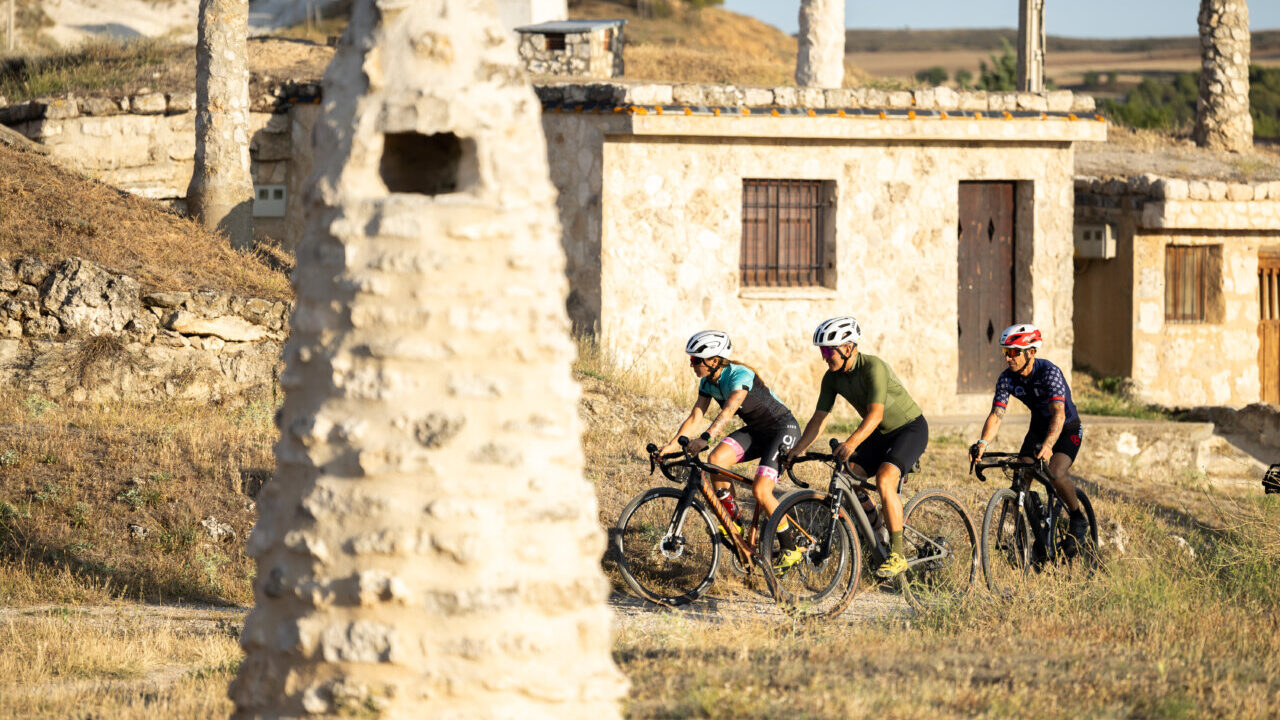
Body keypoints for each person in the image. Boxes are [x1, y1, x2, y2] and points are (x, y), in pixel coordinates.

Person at [787, 316, 929, 580]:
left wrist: (851, 442)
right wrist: (798, 449)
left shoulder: (873, 367)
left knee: (885, 480)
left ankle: (897, 555)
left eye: (829, 350)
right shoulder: (831, 378)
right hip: (879, 434)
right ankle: (878, 531)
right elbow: (819, 418)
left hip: (909, 429)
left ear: (849, 347)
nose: (824, 357)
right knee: (849, 476)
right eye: (822, 351)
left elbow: (875, 415)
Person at [659, 330, 805, 572]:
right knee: (716, 459)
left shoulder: (740, 374)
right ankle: (733, 520)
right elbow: (696, 415)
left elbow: (729, 409)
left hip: (783, 428)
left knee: (760, 489)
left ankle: (791, 547)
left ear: (714, 361)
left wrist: (706, 437)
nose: (691, 363)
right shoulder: (707, 382)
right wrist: (671, 446)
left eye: (696, 360)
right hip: (758, 431)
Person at [969, 323, 1090, 556]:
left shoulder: (1049, 372)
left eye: (1014, 352)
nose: (1009, 358)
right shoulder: (1007, 379)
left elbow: (1059, 413)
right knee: (1020, 483)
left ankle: (1077, 516)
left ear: (1031, 352)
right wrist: (983, 443)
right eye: (1006, 352)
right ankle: (1033, 540)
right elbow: (996, 415)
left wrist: (1049, 445)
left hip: (1066, 428)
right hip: (1038, 428)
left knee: (1055, 471)